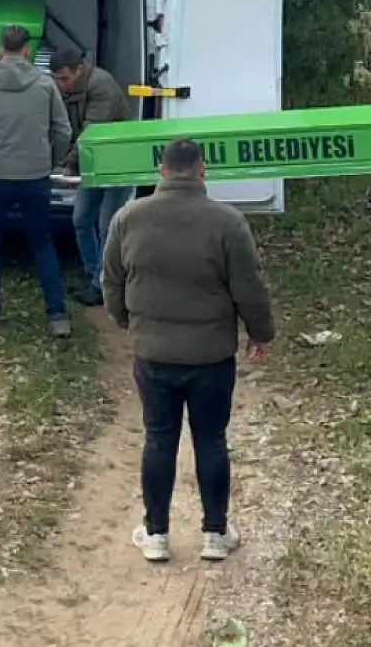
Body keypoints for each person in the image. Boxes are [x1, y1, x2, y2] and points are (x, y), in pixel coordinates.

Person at [102, 138, 276, 563]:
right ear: (202, 171)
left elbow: (111, 281)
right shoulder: (228, 223)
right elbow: (249, 288)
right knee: (211, 439)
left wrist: (130, 323)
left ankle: (156, 533)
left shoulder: (128, 218)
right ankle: (215, 534)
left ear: (161, 171)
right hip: (211, 356)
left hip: (154, 353)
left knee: (159, 438)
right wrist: (261, 333)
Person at [0, 25, 74, 337]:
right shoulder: (45, 84)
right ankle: (57, 315)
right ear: (28, 50)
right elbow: (63, 130)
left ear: (0, 49)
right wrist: (50, 158)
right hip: (35, 175)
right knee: (42, 242)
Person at [49, 48, 133, 306]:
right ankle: (93, 272)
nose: (61, 85)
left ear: (79, 69)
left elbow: (91, 131)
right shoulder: (69, 88)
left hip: (118, 162)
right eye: (57, 79)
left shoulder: (101, 86)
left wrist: (69, 162)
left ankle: (103, 286)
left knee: (108, 226)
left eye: (64, 79)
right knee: (82, 218)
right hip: (94, 161)